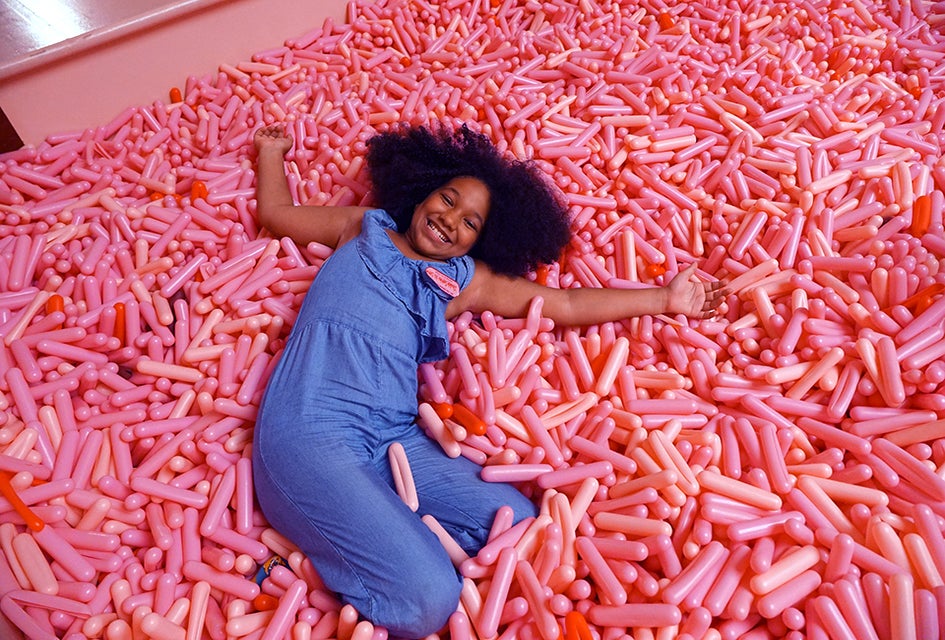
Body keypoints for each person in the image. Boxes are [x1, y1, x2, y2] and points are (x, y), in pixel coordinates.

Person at [250, 123, 723, 637]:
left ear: (483, 239)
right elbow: (277, 215)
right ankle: (325, 564)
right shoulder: (365, 227)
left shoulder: (464, 280)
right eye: (446, 199)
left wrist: (663, 299)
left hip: (393, 437)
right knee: (429, 600)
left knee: (516, 524)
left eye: (470, 221)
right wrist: (272, 152)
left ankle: (379, 539)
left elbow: (563, 304)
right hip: (310, 432)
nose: (449, 220)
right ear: (420, 191)